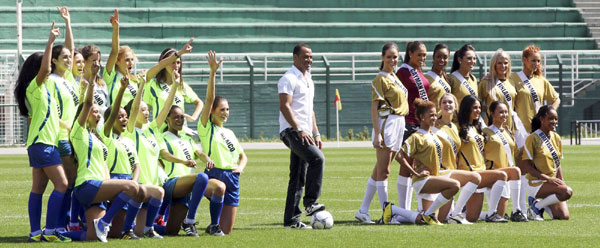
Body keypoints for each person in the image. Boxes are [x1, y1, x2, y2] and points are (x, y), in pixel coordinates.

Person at [124, 41, 193, 239]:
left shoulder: (152, 129)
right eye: (143, 111)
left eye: (148, 110)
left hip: (151, 189)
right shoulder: (131, 130)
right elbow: (135, 107)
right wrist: (143, 85)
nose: (146, 113)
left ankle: (148, 228)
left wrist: (175, 87)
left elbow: (166, 108)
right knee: (127, 228)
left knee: (149, 226)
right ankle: (127, 229)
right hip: (140, 187)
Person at [69, 63, 141, 243]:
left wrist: (123, 89)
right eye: (94, 112)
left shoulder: (98, 137)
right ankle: (105, 222)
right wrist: (92, 78)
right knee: (132, 187)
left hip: (100, 188)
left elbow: (103, 166)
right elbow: (87, 103)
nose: (98, 115)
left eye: (99, 112)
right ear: (84, 115)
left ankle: (56, 235)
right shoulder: (78, 132)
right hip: (87, 185)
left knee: (93, 238)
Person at [15, 22, 71, 242]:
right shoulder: (35, 87)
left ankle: (35, 233)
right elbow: (46, 69)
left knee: (38, 189)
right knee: (63, 184)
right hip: (43, 144)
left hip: (41, 144)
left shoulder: (46, 89)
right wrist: (50, 41)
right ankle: (49, 232)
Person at [383, 99, 460, 225]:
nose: (434, 117)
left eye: (435, 115)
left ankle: (392, 209)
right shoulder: (416, 136)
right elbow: (399, 156)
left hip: (433, 178)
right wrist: (415, 173)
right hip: (423, 181)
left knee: (427, 221)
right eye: (431, 115)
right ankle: (428, 214)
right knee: (454, 185)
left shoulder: (433, 135)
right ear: (421, 117)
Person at [356, 42, 408, 224]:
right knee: (384, 171)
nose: (393, 60)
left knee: (379, 169)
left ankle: (363, 210)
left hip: (399, 122)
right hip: (388, 122)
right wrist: (378, 133)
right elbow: (374, 107)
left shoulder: (394, 77)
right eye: (389, 57)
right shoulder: (380, 78)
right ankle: (387, 214)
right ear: (382, 57)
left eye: (395, 57)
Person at [198, 51, 248, 235]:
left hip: (232, 178)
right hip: (215, 175)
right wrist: (213, 73)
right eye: (221, 109)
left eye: (227, 109)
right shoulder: (205, 128)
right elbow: (209, 99)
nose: (225, 112)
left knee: (226, 232)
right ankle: (208, 221)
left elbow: (243, 156)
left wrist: (240, 168)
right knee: (219, 188)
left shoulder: (230, 132)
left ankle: (212, 226)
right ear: (212, 111)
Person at [509, 44, 560, 217]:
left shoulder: (541, 80)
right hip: (521, 130)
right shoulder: (514, 78)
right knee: (522, 168)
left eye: (538, 61)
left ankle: (535, 203)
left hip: (538, 132)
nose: (536, 64)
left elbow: (556, 98)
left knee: (541, 166)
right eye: (533, 61)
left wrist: (548, 115)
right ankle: (521, 208)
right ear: (524, 60)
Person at [278, 43, 326, 229]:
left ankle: (290, 219)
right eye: (305, 56)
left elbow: (309, 110)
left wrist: (316, 132)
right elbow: (285, 106)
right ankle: (311, 202)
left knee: (298, 175)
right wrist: (298, 128)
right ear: (295, 57)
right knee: (317, 159)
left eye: (311, 57)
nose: (309, 60)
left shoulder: (308, 79)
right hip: (291, 130)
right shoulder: (288, 78)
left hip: (304, 131)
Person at [158, 106, 214, 236]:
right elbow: (165, 154)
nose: (180, 120)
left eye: (182, 117)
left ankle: (144, 227)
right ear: (167, 119)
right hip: (171, 183)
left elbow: (199, 153)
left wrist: (207, 159)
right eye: (176, 117)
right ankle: (190, 220)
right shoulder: (162, 137)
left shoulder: (187, 139)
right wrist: (183, 161)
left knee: (171, 231)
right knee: (202, 178)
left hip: (184, 188)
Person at [457, 95, 509, 222]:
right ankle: (493, 213)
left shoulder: (477, 128)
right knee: (501, 175)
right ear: (466, 108)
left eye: (479, 107)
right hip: (470, 173)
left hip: (481, 172)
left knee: (472, 217)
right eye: (474, 107)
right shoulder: (458, 128)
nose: (478, 110)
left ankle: (458, 214)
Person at [432, 93, 481, 224]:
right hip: (440, 172)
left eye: (450, 102)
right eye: (444, 102)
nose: (447, 105)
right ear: (440, 106)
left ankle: (397, 213)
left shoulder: (454, 127)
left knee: (438, 219)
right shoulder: (434, 125)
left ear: (455, 106)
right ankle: (457, 214)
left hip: (451, 172)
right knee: (475, 178)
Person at [394, 41, 430, 211]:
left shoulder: (418, 71)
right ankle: (403, 209)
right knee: (406, 165)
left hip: (421, 123)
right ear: (410, 53)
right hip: (409, 122)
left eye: (424, 55)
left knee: (417, 165)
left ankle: (415, 208)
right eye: (419, 54)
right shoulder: (402, 72)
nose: (422, 58)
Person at [144, 41, 203, 139]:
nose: (176, 66)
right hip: (160, 135)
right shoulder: (153, 85)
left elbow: (199, 102)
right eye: (172, 62)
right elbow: (145, 110)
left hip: (179, 134)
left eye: (178, 62)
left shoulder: (181, 85)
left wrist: (193, 118)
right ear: (165, 63)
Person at [523, 106, 572, 220]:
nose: (554, 122)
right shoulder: (532, 138)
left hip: (552, 183)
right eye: (551, 118)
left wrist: (562, 183)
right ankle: (536, 207)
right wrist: (547, 178)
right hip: (536, 183)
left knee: (563, 216)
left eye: (556, 119)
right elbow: (526, 166)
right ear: (541, 119)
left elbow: (558, 163)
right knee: (567, 192)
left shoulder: (556, 137)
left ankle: (538, 206)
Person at [482, 101, 527, 222]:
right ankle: (516, 211)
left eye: (506, 112)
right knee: (497, 215)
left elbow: (514, 153)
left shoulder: (507, 131)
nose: (504, 115)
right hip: (495, 174)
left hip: (508, 175)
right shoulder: (486, 132)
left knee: (500, 215)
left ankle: (467, 214)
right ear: (492, 114)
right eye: (500, 112)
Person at [103, 9, 140, 107]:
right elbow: (114, 51)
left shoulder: (135, 81)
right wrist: (116, 29)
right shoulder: (111, 76)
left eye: (132, 60)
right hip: (115, 120)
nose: (131, 63)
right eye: (127, 60)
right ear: (117, 61)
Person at [449, 44, 479, 109]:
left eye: (474, 58)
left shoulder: (473, 79)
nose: (472, 61)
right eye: (469, 58)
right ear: (460, 60)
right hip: (457, 118)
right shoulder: (451, 79)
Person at [424, 43, 452, 108]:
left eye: (445, 57)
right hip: (433, 117)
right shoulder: (426, 78)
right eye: (438, 56)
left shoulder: (446, 79)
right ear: (433, 57)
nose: (442, 60)